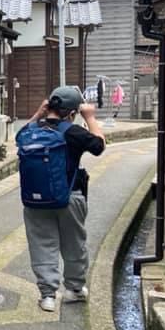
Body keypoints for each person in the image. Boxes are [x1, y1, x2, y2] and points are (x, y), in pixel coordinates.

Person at [17, 87, 105, 312]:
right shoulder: (72, 131)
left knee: (41, 245)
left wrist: (38, 114)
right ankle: (74, 289)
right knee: (73, 244)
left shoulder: (32, 130)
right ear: (72, 112)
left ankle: (47, 296)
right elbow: (98, 146)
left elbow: (19, 137)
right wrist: (91, 117)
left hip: (34, 201)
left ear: (50, 107)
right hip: (69, 198)